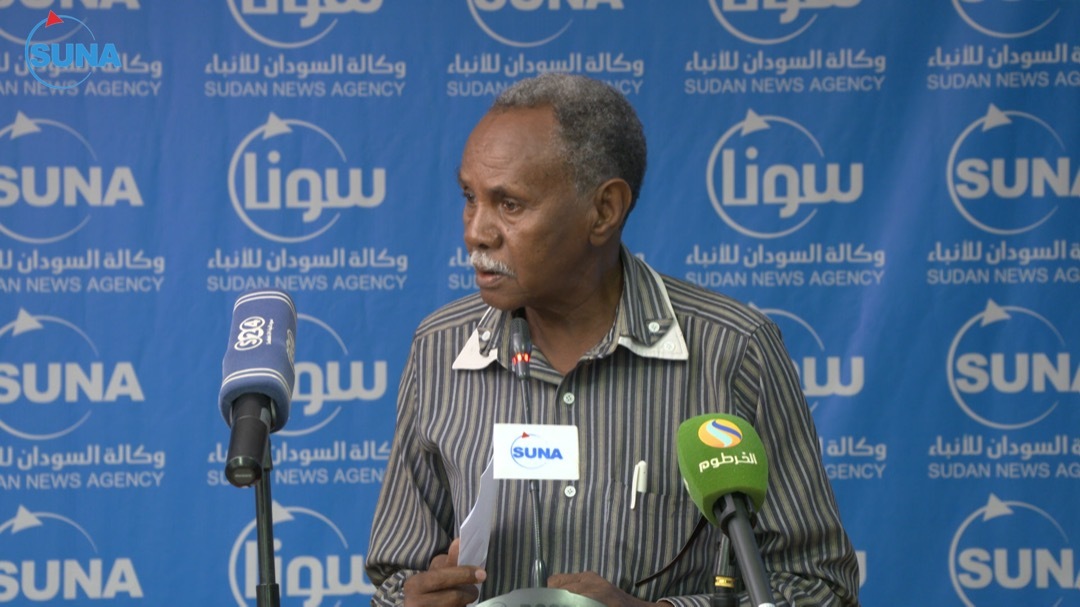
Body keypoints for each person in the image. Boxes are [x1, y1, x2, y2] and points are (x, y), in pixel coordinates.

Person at [365, 73, 860, 607]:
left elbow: (820, 587)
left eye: (509, 205)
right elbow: (395, 578)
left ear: (604, 210)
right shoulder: (438, 348)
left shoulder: (733, 351)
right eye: (470, 197)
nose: (475, 232)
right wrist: (412, 600)